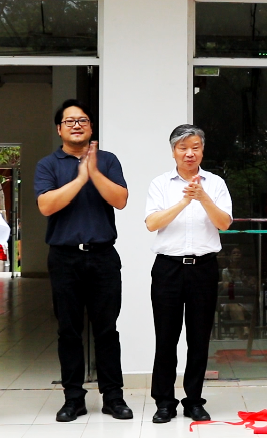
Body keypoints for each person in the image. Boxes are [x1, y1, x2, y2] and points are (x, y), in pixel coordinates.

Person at [34, 99, 133, 422]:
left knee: (107, 330)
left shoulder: (108, 160)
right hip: (64, 258)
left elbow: (120, 200)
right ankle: (73, 398)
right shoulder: (48, 164)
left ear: (91, 127)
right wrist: (79, 179)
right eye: (70, 121)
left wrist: (93, 172)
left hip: (103, 257)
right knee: (69, 331)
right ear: (59, 129)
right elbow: (46, 205)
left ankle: (113, 397)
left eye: (83, 120)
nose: (76, 125)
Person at [145, 124, 232, 424]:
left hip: (204, 268)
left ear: (202, 151)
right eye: (183, 148)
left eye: (195, 147)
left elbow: (224, 223)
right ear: (173, 152)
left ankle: (194, 400)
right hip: (168, 269)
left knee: (199, 339)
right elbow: (152, 223)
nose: (189, 153)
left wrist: (203, 197)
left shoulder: (216, 184)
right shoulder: (160, 184)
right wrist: (184, 201)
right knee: (165, 338)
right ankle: (164, 402)